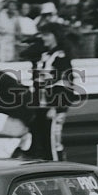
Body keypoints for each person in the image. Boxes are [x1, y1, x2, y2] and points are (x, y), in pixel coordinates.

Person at [28, 22, 76, 161]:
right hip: (40, 107)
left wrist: (56, 107)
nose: (43, 38)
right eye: (42, 34)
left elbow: (65, 83)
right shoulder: (44, 55)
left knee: (53, 144)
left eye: (47, 35)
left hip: (53, 107)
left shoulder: (61, 57)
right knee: (40, 144)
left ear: (56, 36)